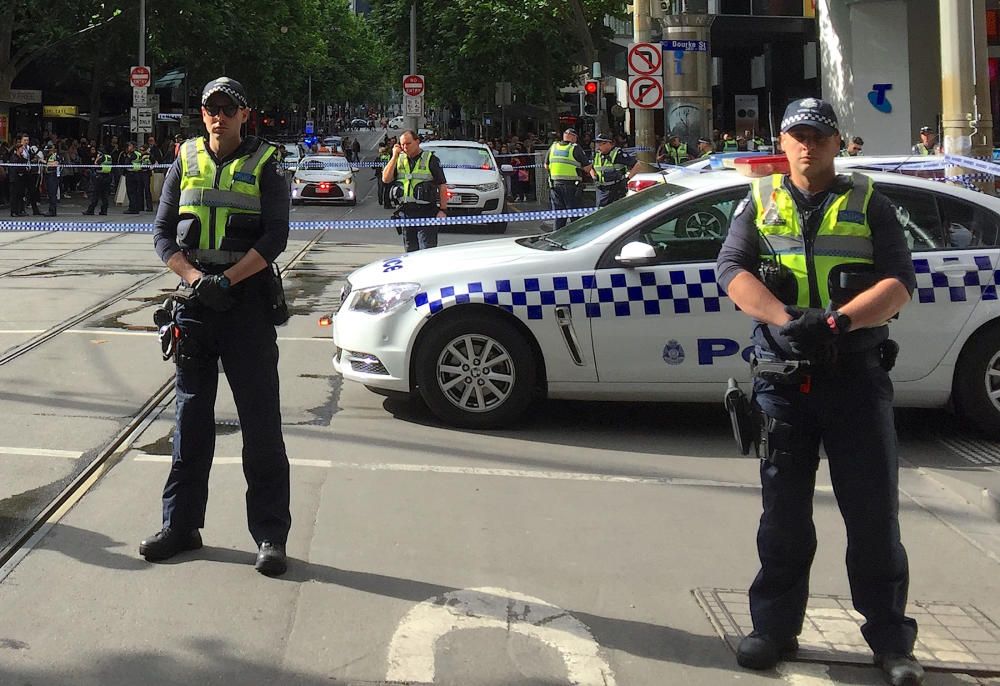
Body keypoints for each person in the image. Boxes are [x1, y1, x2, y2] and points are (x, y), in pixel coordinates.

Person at [715, 98, 922, 686]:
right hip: (784, 381)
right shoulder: (758, 201)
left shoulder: (869, 203)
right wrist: (784, 319)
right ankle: (774, 630)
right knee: (783, 515)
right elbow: (732, 270)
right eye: (797, 135)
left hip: (854, 374)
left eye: (819, 136)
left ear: (836, 144)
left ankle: (891, 641)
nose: (807, 146)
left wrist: (838, 323)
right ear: (783, 142)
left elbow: (898, 280)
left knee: (873, 515)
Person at [144, 76, 292, 577]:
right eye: (211, 108)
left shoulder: (267, 162)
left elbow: (276, 235)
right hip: (195, 307)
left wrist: (227, 280)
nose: (219, 116)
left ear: (244, 114)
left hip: (246, 304)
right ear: (202, 114)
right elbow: (163, 235)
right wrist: (193, 278)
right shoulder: (183, 158)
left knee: (260, 424)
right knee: (190, 420)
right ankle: (181, 526)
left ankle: (270, 535)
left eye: (229, 108)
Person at [381, 129, 448, 251]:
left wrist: (443, 210)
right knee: (410, 251)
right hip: (406, 213)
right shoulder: (399, 159)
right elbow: (385, 179)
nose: (405, 147)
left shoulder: (430, 159)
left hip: (427, 213)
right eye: (402, 144)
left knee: (426, 250)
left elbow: (442, 185)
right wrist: (394, 156)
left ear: (417, 142)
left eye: (408, 143)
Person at [543, 127, 592, 230]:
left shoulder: (553, 147)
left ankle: (556, 237)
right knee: (575, 215)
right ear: (573, 137)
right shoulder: (575, 148)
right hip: (571, 186)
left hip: (555, 185)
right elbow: (587, 168)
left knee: (559, 216)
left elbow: (546, 166)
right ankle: (577, 238)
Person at [590, 132, 637, 207]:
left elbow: (638, 165)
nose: (598, 147)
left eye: (601, 144)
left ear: (609, 143)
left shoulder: (618, 154)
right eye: (597, 144)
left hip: (616, 190)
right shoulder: (597, 154)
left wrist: (627, 179)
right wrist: (594, 176)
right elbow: (591, 167)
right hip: (602, 190)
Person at [83, 145, 113, 215]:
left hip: (100, 177)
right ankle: (104, 210)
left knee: (95, 194)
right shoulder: (109, 157)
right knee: (105, 195)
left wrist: (97, 158)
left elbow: (96, 164)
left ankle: (90, 210)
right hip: (107, 177)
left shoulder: (101, 157)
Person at [123, 141, 143, 214]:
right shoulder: (138, 154)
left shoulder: (131, 154)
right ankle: (136, 208)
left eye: (129, 146)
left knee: (131, 192)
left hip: (131, 175)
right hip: (137, 174)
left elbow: (127, 163)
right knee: (135, 192)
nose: (128, 147)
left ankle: (132, 209)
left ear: (133, 147)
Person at [42, 142, 61, 216]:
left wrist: (46, 164)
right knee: (50, 194)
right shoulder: (48, 156)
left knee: (52, 194)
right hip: (48, 175)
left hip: (53, 175)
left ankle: (52, 211)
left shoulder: (55, 156)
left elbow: (56, 163)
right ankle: (51, 210)